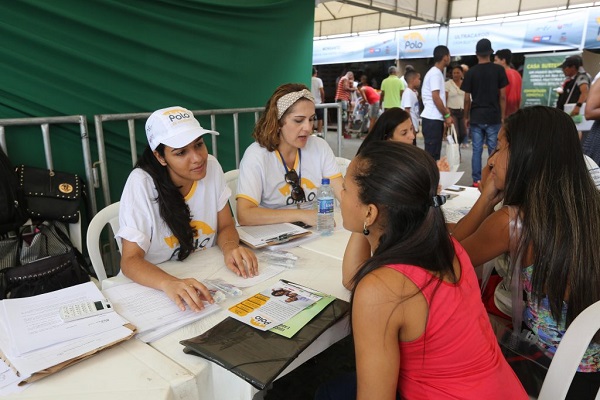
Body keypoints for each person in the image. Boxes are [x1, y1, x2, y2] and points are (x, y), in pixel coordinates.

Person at [327, 141, 527, 400]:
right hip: (502, 390)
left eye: (345, 189)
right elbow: (352, 275)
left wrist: (367, 222)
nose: (340, 195)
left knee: (329, 392)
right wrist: (366, 224)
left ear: (371, 211)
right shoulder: (446, 245)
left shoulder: (381, 290)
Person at [452, 106, 600, 399]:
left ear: (526, 155)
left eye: (499, 148)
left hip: (547, 374)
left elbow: (449, 260)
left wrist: (485, 198)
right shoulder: (588, 206)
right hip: (589, 373)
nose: (491, 160)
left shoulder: (514, 222)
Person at [117, 106, 258, 312]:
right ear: (160, 157)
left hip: (203, 273)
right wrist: (169, 283)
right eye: (181, 152)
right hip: (155, 288)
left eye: (199, 145)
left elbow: (226, 225)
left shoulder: (212, 167)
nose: (197, 158)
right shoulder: (141, 183)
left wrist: (230, 248)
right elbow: (130, 261)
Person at [236, 83, 343, 227]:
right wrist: (301, 215)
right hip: (273, 236)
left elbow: (342, 193)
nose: (308, 128)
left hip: (313, 230)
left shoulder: (319, 146)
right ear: (278, 121)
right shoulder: (256, 155)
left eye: (311, 119)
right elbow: (245, 215)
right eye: (298, 120)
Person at [462, 38, 508, 187]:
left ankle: (476, 180)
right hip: (493, 115)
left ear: (476, 54)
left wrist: (466, 116)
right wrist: (502, 116)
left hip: (476, 116)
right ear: (491, 53)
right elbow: (502, 95)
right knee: (494, 149)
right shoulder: (499, 70)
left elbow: (467, 98)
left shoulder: (471, 72)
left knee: (476, 149)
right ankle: (492, 178)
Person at [421, 45, 453, 161]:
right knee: (431, 156)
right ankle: (429, 178)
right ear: (445, 57)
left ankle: (432, 178)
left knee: (433, 155)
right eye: (449, 55)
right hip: (432, 119)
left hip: (433, 119)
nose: (450, 58)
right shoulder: (435, 73)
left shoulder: (436, 72)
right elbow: (436, 97)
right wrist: (447, 115)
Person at [557, 55, 591, 122]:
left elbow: (585, 93)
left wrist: (577, 107)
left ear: (573, 67)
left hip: (575, 114)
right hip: (568, 112)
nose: (563, 70)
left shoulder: (581, 77)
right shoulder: (571, 80)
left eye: (564, 67)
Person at [445, 64, 468, 148]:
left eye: (458, 73)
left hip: (462, 112)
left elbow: (468, 100)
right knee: (456, 133)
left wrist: (467, 115)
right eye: (454, 73)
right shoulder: (448, 84)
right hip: (452, 111)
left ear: (462, 73)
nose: (455, 75)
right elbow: (445, 99)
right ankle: (456, 153)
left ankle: (457, 148)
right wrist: (446, 114)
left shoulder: (465, 84)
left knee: (463, 133)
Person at [494, 49, 522, 117]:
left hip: (504, 114)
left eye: (496, 60)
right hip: (515, 113)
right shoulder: (517, 74)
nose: (494, 63)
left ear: (503, 61)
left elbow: (502, 96)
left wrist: (502, 116)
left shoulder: (502, 75)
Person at [400, 69, 421, 141]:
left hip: (414, 126)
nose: (419, 81)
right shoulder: (408, 93)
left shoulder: (412, 92)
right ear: (413, 80)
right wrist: (411, 128)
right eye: (418, 79)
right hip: (411, 128)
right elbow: (407, 111)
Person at [335, 71, 357, 138]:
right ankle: (342, 133)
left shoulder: (344, 79)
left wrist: (349, 101)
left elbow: (347, 92)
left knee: (343, 117)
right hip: (342, 100)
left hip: (343, 99)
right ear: (350, 75)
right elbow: (345, 88)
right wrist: (353, 89)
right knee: (343, 117)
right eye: (352, 77)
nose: (352, 79)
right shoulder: (345, 78)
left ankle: (343, 132)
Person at [311, 67, 325, 135]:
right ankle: (319, 133)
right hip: (318, 102)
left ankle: (312, 132)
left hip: (310, 102)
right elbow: (322, 91)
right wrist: (323, 100)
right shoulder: (318, 80)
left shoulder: (308, 79)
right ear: (315, 73)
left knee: (311, 118)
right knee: (320, 118)